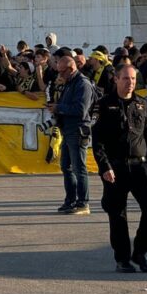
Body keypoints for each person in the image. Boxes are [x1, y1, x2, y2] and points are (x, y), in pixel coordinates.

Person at [92, 64, 147, 273]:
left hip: (140, 165)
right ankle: (122, 259)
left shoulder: (141, 104)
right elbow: (97, 141)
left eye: (133, 79)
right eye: (125, 78)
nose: (130, 82)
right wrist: (104, 166)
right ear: (116, 79)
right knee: (117, 214)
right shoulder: (103, 105)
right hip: (115, 166)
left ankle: (140, 252)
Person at [51, 56, 95, 215]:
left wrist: (59, 108)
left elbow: (80, 109)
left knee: (79, 168)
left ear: (71, 69)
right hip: (68, 130)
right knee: (66, 167)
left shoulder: (83, 84)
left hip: (77, 130)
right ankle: (70, 201)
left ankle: (83, 203)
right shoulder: (69, 83)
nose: (60, 75)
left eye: (62, 72)